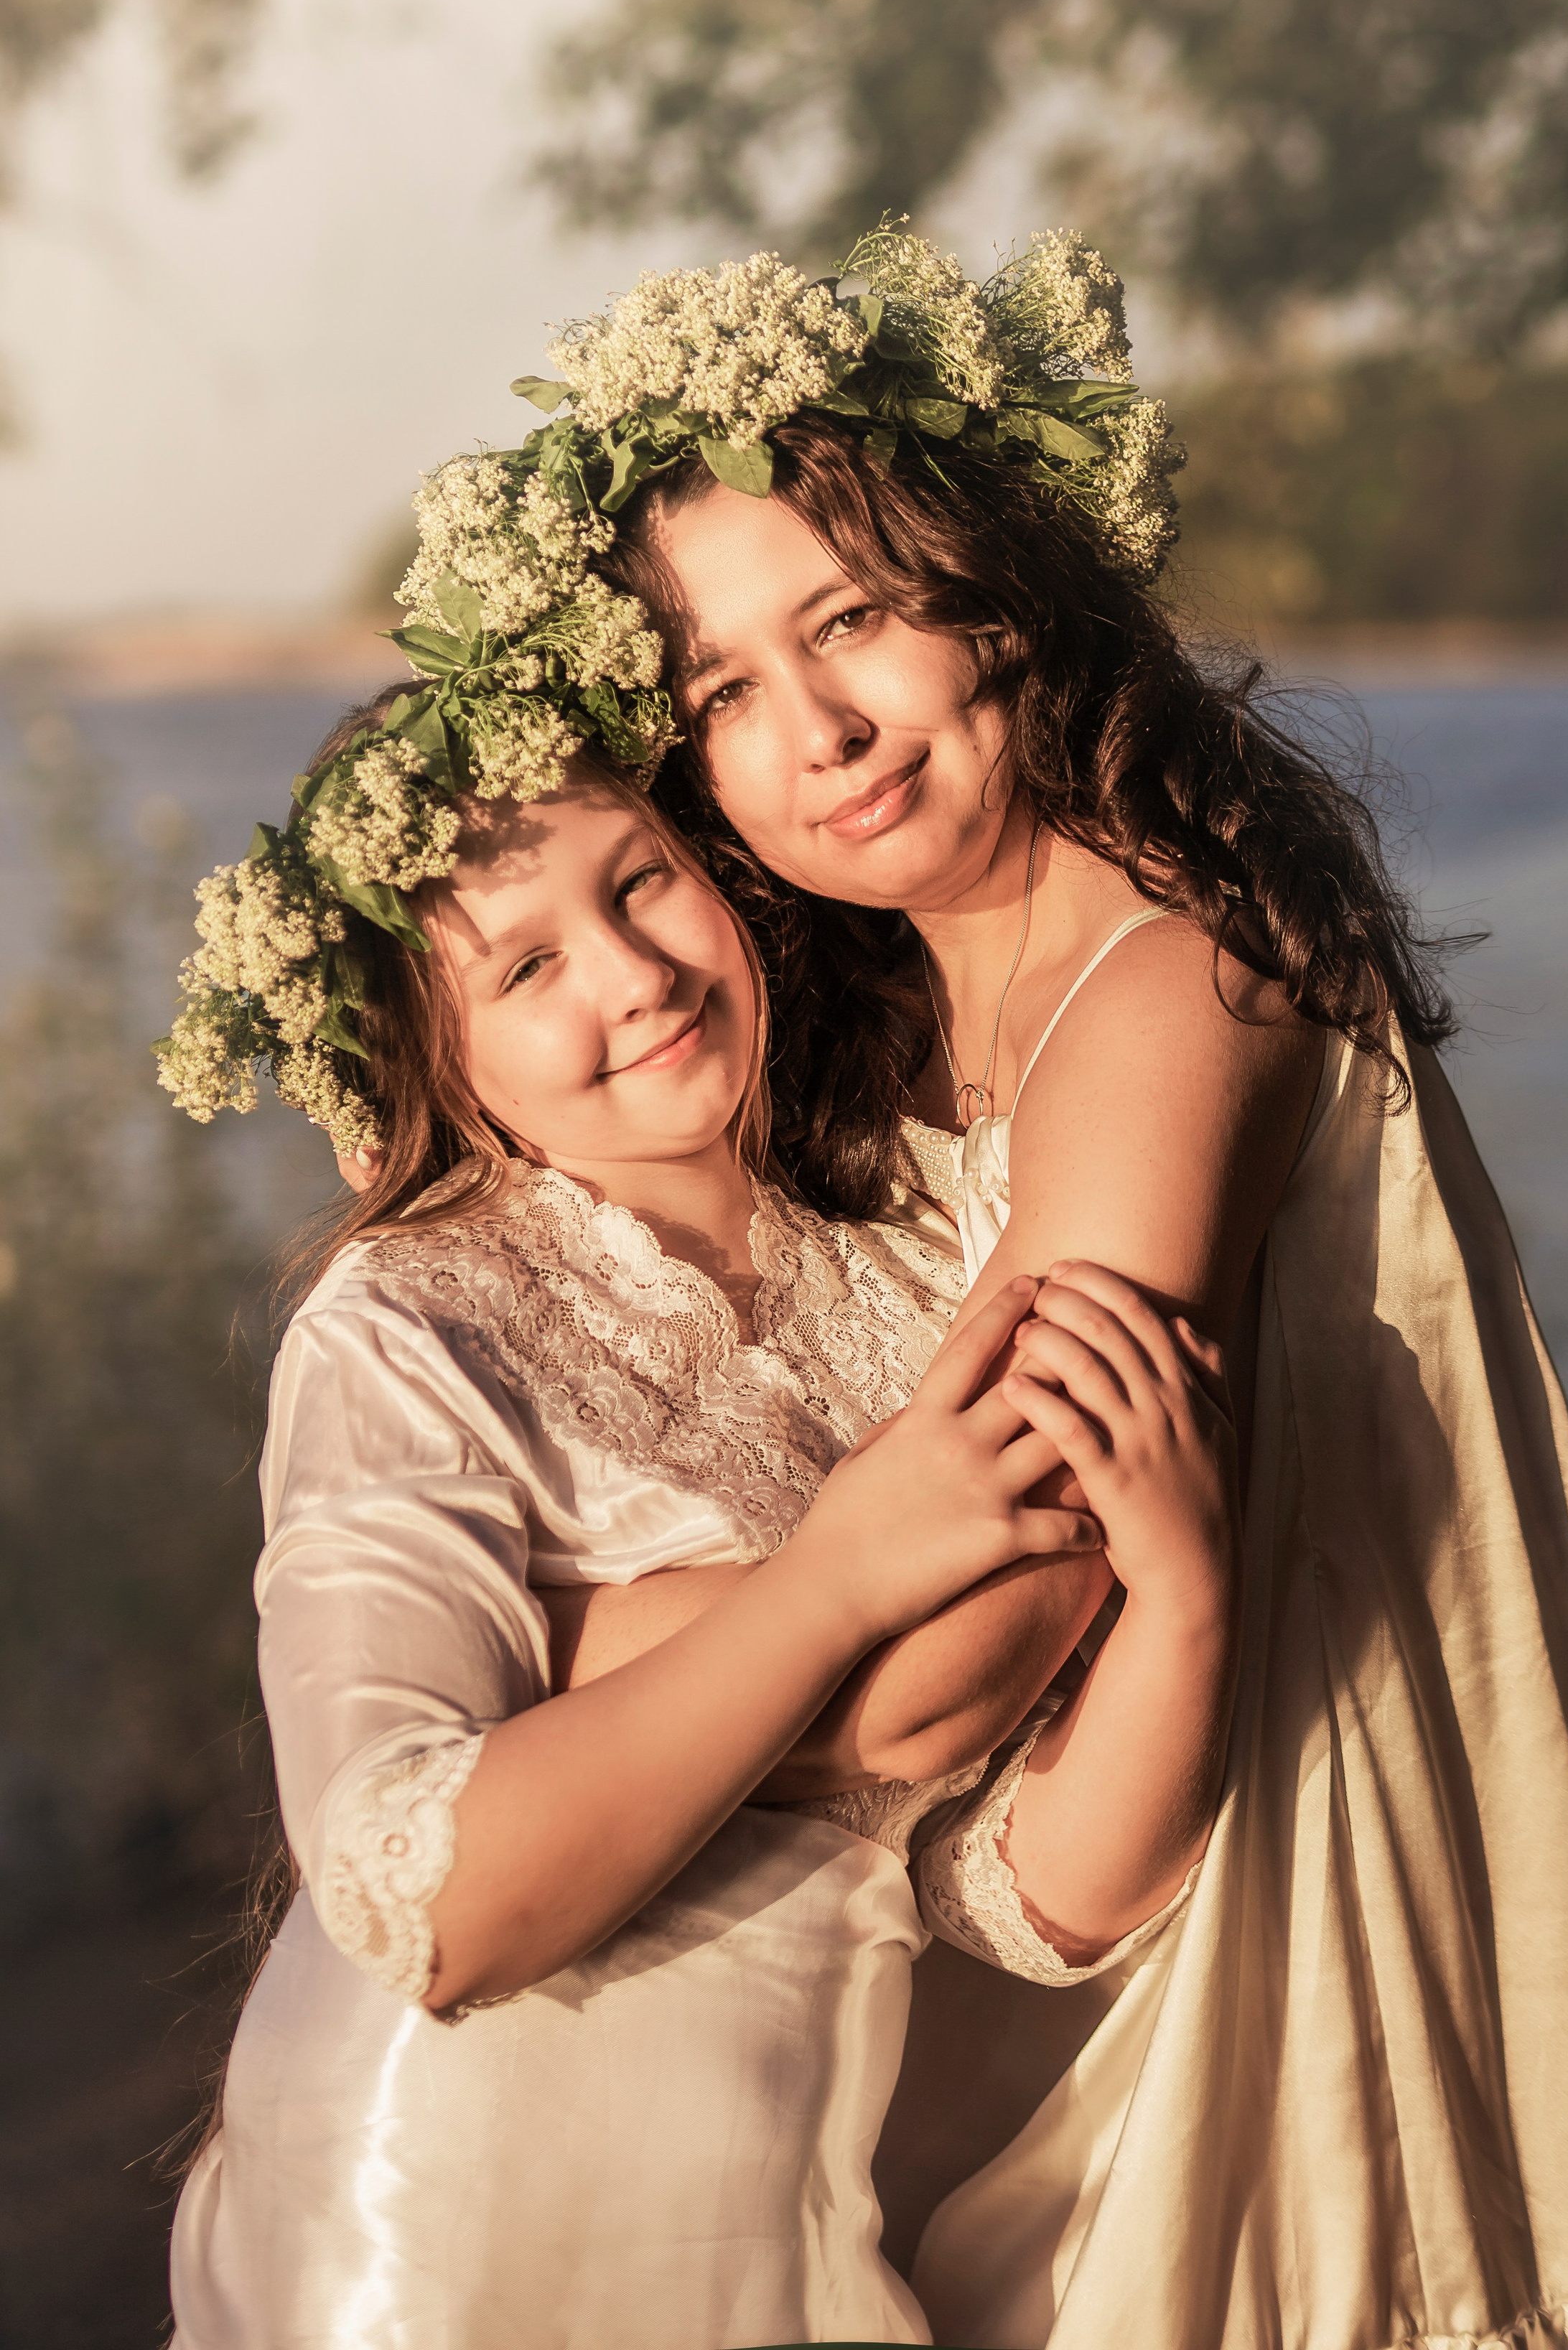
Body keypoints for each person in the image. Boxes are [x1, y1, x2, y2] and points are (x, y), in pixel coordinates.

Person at [511, 223, 1568, 2350]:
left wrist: (569, 1645)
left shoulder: (1168, 982)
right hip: (1063, 1927)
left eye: (851, 617)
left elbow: (964, 1655)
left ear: (1004, 585)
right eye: (721, 689)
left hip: (1268, 1973)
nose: (812, 727)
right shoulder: (920, 1027)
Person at [157, 695, 1237, 2328]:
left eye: (640, 880)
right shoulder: (412, 1320)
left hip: (762, 2218)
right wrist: (838, 1578)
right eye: (522, 968)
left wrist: (1185, 1594)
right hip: (427, 2222)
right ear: (434, 1058)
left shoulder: (909, 1270)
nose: (633, 974)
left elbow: (1017, 1897)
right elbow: (414, 1895)